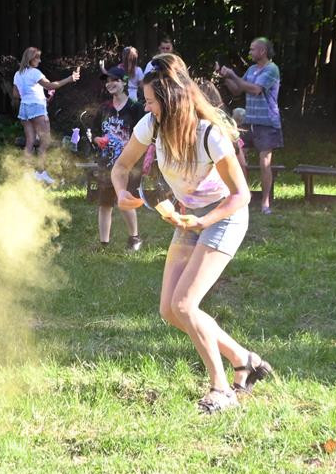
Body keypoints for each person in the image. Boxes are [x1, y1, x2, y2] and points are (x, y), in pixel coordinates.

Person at [111, 53, 272, 413]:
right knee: (170, 309)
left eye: (151, 101)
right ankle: (245, 359)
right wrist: (122, 192)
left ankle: (222, 389)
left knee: (185, 304)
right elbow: (121, 167)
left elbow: (241, 195)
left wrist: (204, 221)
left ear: (170, 102)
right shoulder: (151, 126)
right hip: (189, 218)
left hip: (224, 218)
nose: (146, 107)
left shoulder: (209, 134)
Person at [219, 37, 283, 214]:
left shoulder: (272, 69)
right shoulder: (252, 69)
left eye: (253, 49)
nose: (250, 52)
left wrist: (233, 74)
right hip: (249, 122)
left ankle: (265, 203)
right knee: (237, 158)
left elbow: (255, 89)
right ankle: (242, 197)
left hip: (267, 123)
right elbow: (237, 90)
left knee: (264, 163)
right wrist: (225, 77)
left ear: (262, 51)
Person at [91, 67, 145, 251]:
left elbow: (144, 135)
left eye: (114, 80)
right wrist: (97, 139)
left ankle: (134, 238)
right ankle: (104, 243)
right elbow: (95, 132)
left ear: (124, 82)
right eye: (107, 81)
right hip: (106, 164)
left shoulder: (135, 108)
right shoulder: (104, 108)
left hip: (128, 165)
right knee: (105, 203)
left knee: (125, 201)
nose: (109, 84)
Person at [12, 47, 80, 185]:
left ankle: (27, 173)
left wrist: (39, 97)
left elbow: (15, 94)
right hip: (36, 108)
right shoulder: (35, 73)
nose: (40, 60)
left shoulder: (18, 74)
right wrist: (70, 78)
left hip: (24, 108)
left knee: (30, 141)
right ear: (31, 59)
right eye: (37, 58)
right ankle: (41, 172)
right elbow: (51, 86)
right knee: (45, 140)